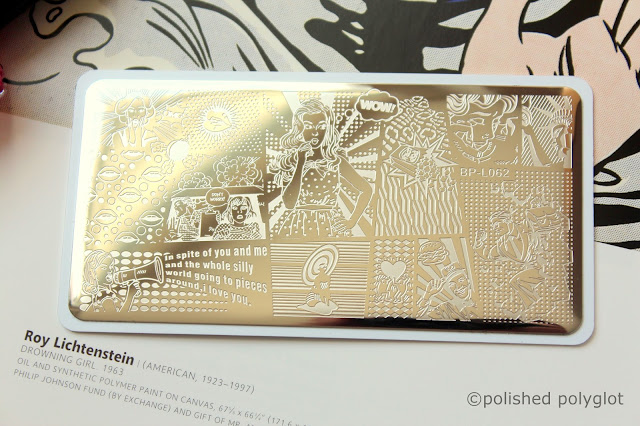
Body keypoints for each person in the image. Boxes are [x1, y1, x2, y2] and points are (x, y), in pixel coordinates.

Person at [272, 99, 372, 238]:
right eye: (308, 126)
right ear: (299, 129)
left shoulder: (335, 161)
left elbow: (366, 189)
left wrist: (351, 222)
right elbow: (289, 203)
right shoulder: (291, 161)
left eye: (321, 126)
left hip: (330, 225)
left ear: (328, 129)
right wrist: (301, 162)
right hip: (298, 225)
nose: (315, 132)